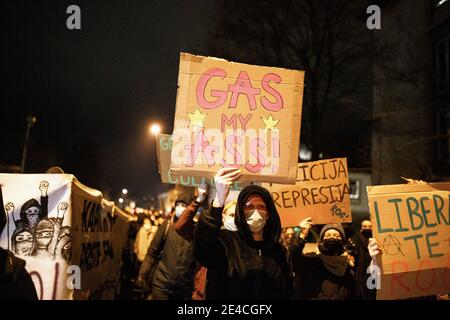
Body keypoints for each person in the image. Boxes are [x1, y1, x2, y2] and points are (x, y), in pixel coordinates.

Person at [193, 168, 292, 300]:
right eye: (249, 207)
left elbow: (287, 291)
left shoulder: (280, 252)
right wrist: (219, 200)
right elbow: (201, 249)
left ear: (268, 214)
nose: (255, 212)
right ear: (241, 212)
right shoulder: (226, 242)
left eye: (261, 207)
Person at [137, 189, 207, 300]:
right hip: (162, 285)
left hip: (184, 290)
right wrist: (143, 274)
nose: (179, 207)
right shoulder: (167, 226)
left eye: (183, 205)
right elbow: (152, 252)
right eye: (177, 204)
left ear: (190, 208)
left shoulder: (196, 230)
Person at [290, 218, 355, 300]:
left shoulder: (347, 264)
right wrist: (302, 236)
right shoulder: (313, 259)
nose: (332, 238)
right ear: (322, 240)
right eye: (328, 235)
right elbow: (293, 259)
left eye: (336, 236)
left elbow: (350, 290)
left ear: (342, 240)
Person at [347, 219, 376, 299]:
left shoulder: (377, 240)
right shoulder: (353, 240)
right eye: (365, 226)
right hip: (359, 274)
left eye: (370, 226)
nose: (367, 228)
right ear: (361, 228)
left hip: (373, 273)